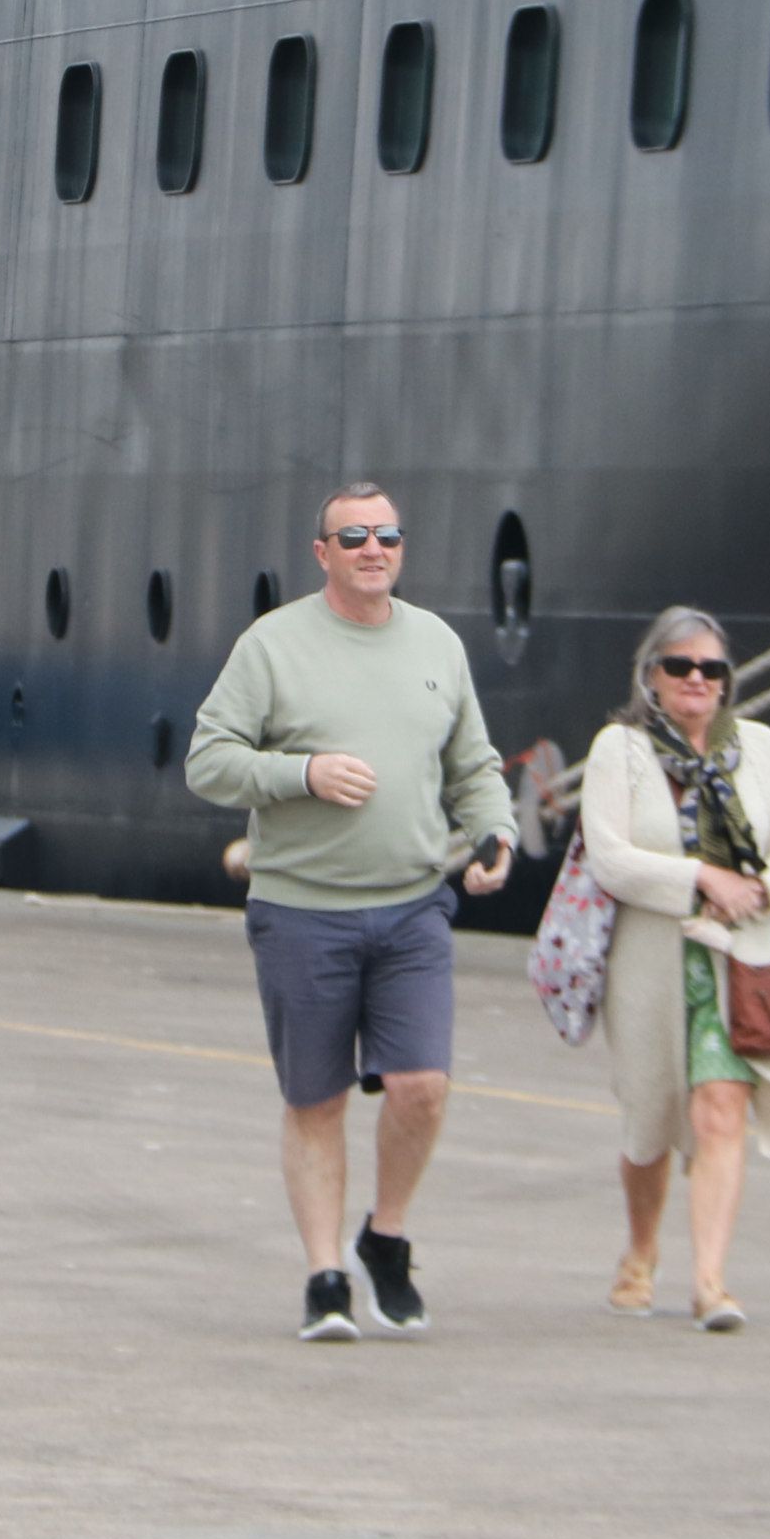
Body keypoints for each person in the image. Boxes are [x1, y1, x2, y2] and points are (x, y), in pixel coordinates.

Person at [186, 482, 516, 1341]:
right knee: (317, 1101)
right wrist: (302, 774)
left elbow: (473, 763)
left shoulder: (437, 642)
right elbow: (208, 761)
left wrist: (496, 833)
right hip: (302, 911)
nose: (375, 548)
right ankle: (324, 1275)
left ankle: (387, 1237)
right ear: (322, 552)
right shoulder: (273, 647)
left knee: (422, 1088)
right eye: (355, 536)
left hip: (412, 908)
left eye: (388, 535)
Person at [577, 609, 770, 1332]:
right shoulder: (621, 750)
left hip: (736, 960)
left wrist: (761, 890)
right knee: (649, 1122)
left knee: (720, 1110)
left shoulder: (760, 748)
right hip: (648, 964)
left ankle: (710, 1283)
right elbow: (610, 857)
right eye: (680, 666)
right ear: (651, 676)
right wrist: (702, 877)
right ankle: (640, 1252)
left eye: (712, 669)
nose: (697, 680)